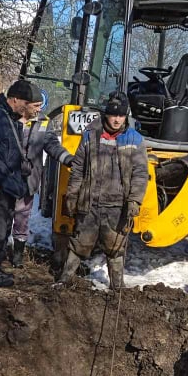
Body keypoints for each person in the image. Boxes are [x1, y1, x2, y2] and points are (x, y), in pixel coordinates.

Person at [57, 91, 148, 289]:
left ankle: (117, 286)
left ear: (126, 116)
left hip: (117, 206)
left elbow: (140, 174)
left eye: (121, 115)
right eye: (113, 114)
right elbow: (78, 168)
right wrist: (73, 195)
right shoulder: (90, 136)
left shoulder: (135, 140)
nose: (117, 120)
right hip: (90, 203)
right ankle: (64, 280)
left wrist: (135, 200)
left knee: (115, 247)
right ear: (106, 114)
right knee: (80, 243)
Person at [0, 79, 39, 287]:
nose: (31, 109)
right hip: (0, 183)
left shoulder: (9, 117)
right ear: (15, 100)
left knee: (4, 226)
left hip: (8, 181)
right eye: (29, 104)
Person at [11, 88, 75, 268]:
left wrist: (67, 159)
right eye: (37, 105)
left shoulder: (43, 122)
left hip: (29, 178)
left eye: (41, 105)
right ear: (25, 104)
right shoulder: (9, 120)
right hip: (7, 177)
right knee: (3, 216)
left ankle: (17, 254)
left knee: (22, 216)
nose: (40, 109)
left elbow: (52, 145)